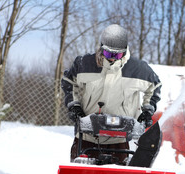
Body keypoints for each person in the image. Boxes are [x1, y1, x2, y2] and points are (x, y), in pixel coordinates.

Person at [61, 24, 161, 165]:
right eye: (109, 54)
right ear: (101, 48)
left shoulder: (138, 69)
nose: (113, 59)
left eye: (118, 54)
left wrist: (147, 110)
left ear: (125, 51)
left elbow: (154, 86)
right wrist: (74, 106)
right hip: (87, 136)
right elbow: (69, 81)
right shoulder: (84, 64)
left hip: (120, 139)